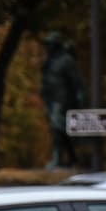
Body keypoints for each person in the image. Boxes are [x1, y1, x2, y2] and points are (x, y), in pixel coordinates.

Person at [40, 32, 86, 169]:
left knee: (57, 127)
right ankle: (72, 157)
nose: (47, 47)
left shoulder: (66, 60)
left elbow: (77, 80)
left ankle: (58, 158)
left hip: (63, 99)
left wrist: (80, 96)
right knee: (59, 129)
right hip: (50, 99)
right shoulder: (49, 61)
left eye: (50, 44)